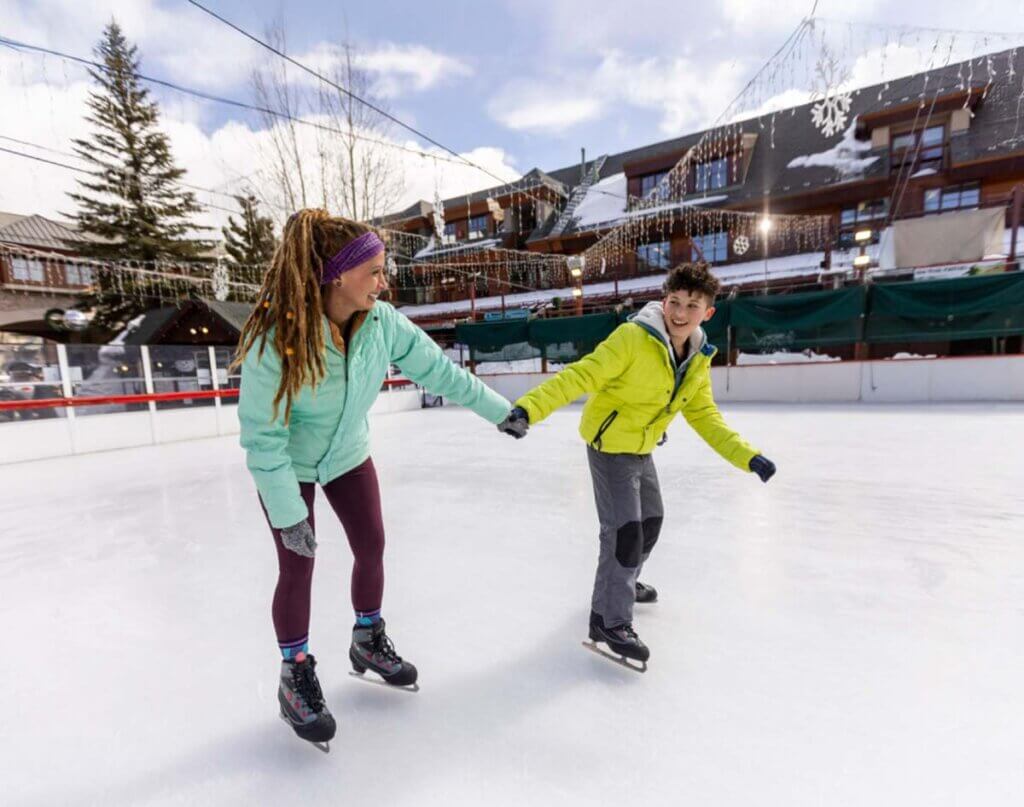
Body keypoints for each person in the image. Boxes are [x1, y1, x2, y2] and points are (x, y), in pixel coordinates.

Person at [236, 209, 519, 748]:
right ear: (337, 275)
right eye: (375, 271)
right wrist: (289, 514)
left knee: (373, 545)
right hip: (288, 465)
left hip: (346, 453)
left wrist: (498, 410)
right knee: (298, 565)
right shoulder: (278, 337)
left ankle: (367, 638)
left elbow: (439, 370)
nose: (384, 282)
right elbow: (262, 439)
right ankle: (294, 673)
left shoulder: (383, 323)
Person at [498, 262, 776, 667]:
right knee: (625, 533)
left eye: (691, 306)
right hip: (610, 447)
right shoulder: (632, 337)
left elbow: (705, 416)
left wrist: (747, 456)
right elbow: (580, 376)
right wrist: (528, 409)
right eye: (674, 302)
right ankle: (610, 622)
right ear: (664, 300)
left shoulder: (697, 357)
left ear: (708, 313)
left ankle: (621, 582)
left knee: (651, 523)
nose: (679, 313)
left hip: (642, 447)